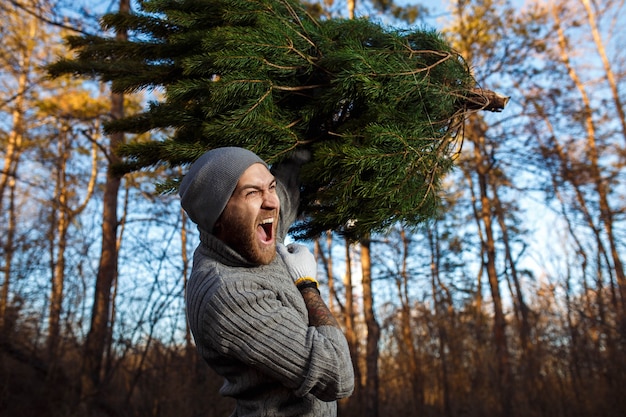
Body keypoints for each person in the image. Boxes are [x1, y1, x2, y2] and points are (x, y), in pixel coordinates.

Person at [179, 146, 354, 416]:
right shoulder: (227, 293)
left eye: (269, 187)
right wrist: (307, 284)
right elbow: (337, 375)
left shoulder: (249, 236)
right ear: (218, 216)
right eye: (252, 193)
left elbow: (288, 183)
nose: (271, 202)